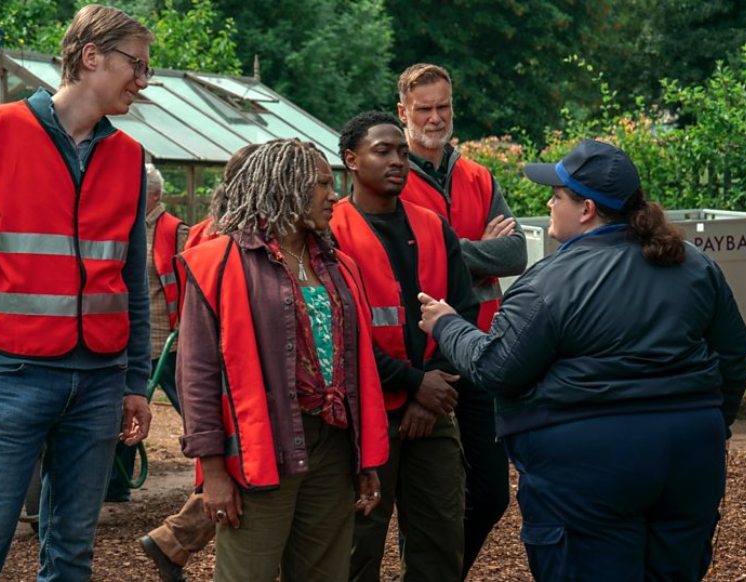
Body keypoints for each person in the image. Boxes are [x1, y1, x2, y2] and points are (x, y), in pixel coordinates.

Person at [419, 139, 746, 581]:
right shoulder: (693, 264)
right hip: (691, 454)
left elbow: (498, 368)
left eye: (557, 196)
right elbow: (732, 356)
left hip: (591, 464)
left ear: (587, 209)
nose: (548, 203)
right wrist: (713, 423)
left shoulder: (550, 282)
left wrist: (447, 324)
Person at [0, 5, 154, 580]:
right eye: (137, 65)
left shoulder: (129, 158)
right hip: (12, 376)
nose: (143, 80)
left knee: (72, 551)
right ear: (91, 56)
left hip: (102, 381)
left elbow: (131, 281)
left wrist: (134, 381)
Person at [177, 138, 389, 582]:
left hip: (333, 448)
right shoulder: (218, 262)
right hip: (262, 449)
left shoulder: (339, 266)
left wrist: (364, 458)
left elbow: (358, 368)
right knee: (246, 573)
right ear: (286, 186)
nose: (335, 195)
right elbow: (197, 374)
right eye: (323, 184)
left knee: (324, 574)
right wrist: (213, 472)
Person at [331, 111, 479, 582]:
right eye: (383, 151)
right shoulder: (331, 232)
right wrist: (416, 383)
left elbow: (463, 314)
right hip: (363, 417)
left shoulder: (434, 227)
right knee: (358, 544)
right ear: (351, 160)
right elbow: (339, 336)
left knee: (440, 540)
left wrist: (432, 392)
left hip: (435, 410)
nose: (398, 161)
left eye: (401, 152)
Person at [396, 63, 526, 574]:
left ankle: (440, 573)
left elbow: (515, 254)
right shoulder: (390, 173)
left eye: (443, 106)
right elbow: (399, 265)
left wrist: (442, 253)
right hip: (420, 355)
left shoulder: (478, 175)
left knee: (492, 494)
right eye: (424, 108)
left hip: (482, 349)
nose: (435, 118)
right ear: (404, 111)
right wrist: (476, 252)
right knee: (421, 498)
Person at [139, 144, 260, 582]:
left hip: (191, 354)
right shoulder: (225, 239)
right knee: (234, 468)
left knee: (229, 466)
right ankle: (172, 540)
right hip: (224, 369)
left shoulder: (204, 229)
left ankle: (171, 541)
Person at [107, 163, 189, 503]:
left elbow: (188, 281)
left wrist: (187, 326)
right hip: (131, 339)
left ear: (152, 195)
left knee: (191, 406)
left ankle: (219, 467)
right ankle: (116, 485)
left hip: (168, 340)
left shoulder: (173, 230)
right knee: (127, 405)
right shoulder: (123, 224)